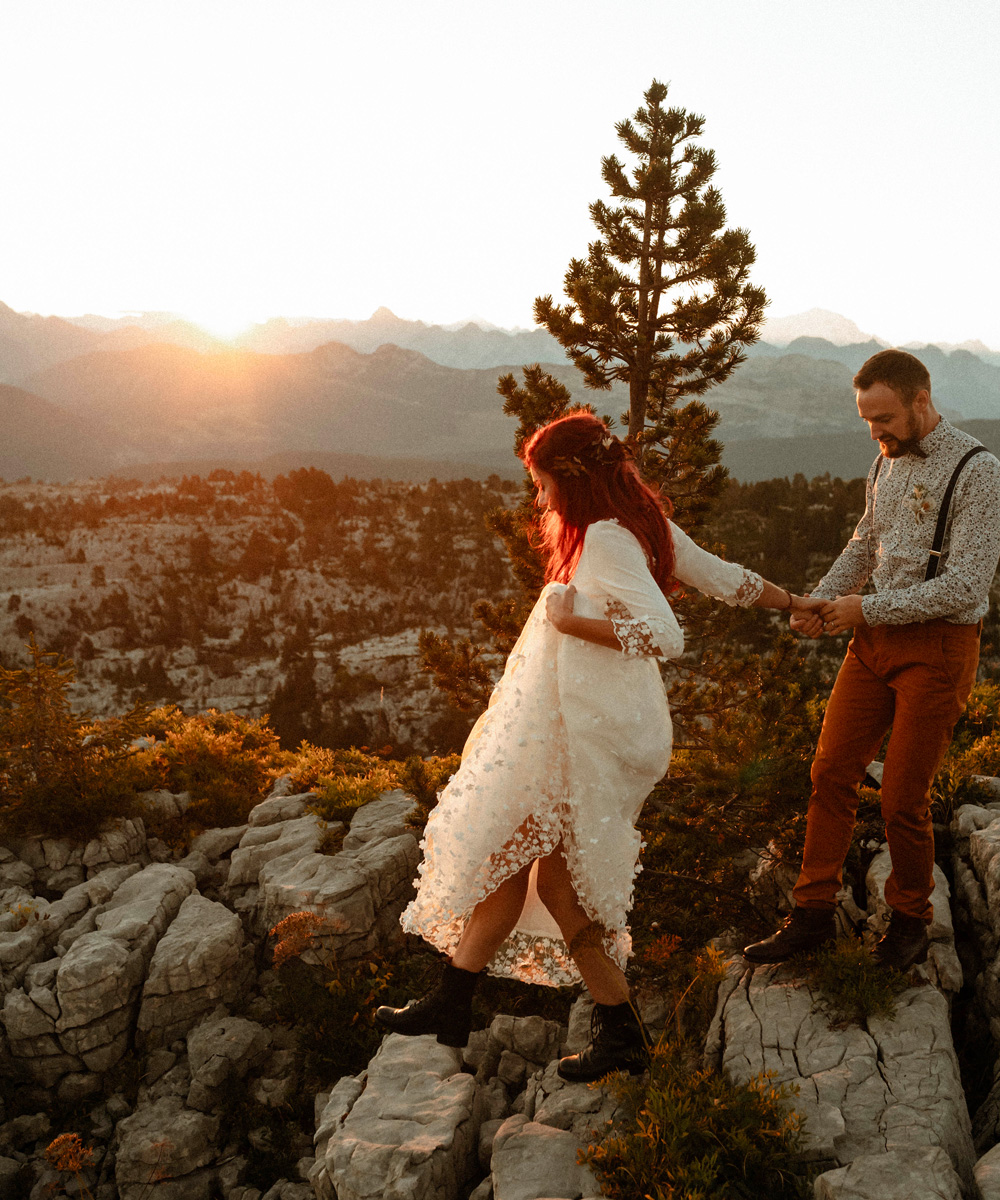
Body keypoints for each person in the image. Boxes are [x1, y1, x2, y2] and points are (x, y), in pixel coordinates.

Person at [376, 411, 823, 1080]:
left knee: (555, 882)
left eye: (544, 483)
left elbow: (664, 636)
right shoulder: (637, 526)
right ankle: (456, 1000)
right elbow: (724, 578)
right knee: (513, 862)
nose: (540, 498)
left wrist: (572, 619)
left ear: (573, 480)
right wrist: (793, 602)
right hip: (595, 723)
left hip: (591, 732)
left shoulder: (610, 539)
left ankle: (616, 1033)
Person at [745, 349, 1000, 972]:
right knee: (830, 772)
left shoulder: (979, 472)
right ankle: (811, 914)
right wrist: (822, 600)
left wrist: (865, 610)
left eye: (884, 418)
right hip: (872, 643)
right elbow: (865, 543)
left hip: (938, 650)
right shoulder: (882, 464)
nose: (875, 432)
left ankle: (911, 921)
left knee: (901, 799)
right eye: (866, 421)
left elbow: (967, 586)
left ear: (921, 401)